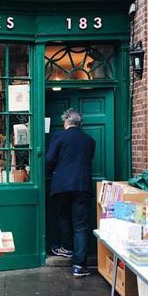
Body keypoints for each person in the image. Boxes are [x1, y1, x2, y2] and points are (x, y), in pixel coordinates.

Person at [46, 108, 95, 278]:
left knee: (63, 217)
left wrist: (51, 172)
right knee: (80, 225)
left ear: (66, 121)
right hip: (82, 186)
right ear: (79, 123)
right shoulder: (89, 140)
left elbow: (49, 160)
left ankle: (67, 248)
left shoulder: (59, 136)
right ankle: (79, 266)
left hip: (61, 186)